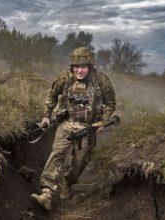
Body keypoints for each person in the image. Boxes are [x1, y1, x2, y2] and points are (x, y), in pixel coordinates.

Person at [31, 47, 116, 210]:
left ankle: (67, 183)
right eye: (76, 66)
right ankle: (46, 193)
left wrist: (103, 121)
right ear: (72, 66)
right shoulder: (65, 78)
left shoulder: (101, 81)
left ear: (90, 66)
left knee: (79, 163)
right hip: (67, 123)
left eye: (83, 66)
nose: (79, 70)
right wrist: (47, 116)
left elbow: (110, 103)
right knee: (57, 154)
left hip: (89, 127)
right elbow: (52, 96)